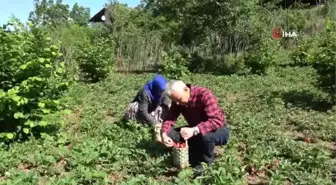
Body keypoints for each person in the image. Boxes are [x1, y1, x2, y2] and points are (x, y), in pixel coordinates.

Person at [160, 80, 230, 175]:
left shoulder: (204, 95)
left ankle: (206, 163)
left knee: (206, 137)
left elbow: (216, 121)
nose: (177, 104)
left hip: (218, 130)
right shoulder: (178, 100)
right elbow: (170, 117)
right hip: (195, 129)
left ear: (186, 89)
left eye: (179, 99)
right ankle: (192, 150)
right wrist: (164, 134)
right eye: (175, 101)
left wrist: (194, 130)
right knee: (170, 134)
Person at [124, 74, 171, 142]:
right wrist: (154, 123)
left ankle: (161, 126)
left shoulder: (163, 90)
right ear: (155, 87)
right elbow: (142, 111)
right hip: (140, 111)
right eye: (160, 91)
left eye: (162, 91)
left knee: (165, 107)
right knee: (135, 106)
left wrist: (169, 108)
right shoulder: (145, 92)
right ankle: (136, 123)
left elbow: (166, 102)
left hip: (152, 109)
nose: (161, 92)